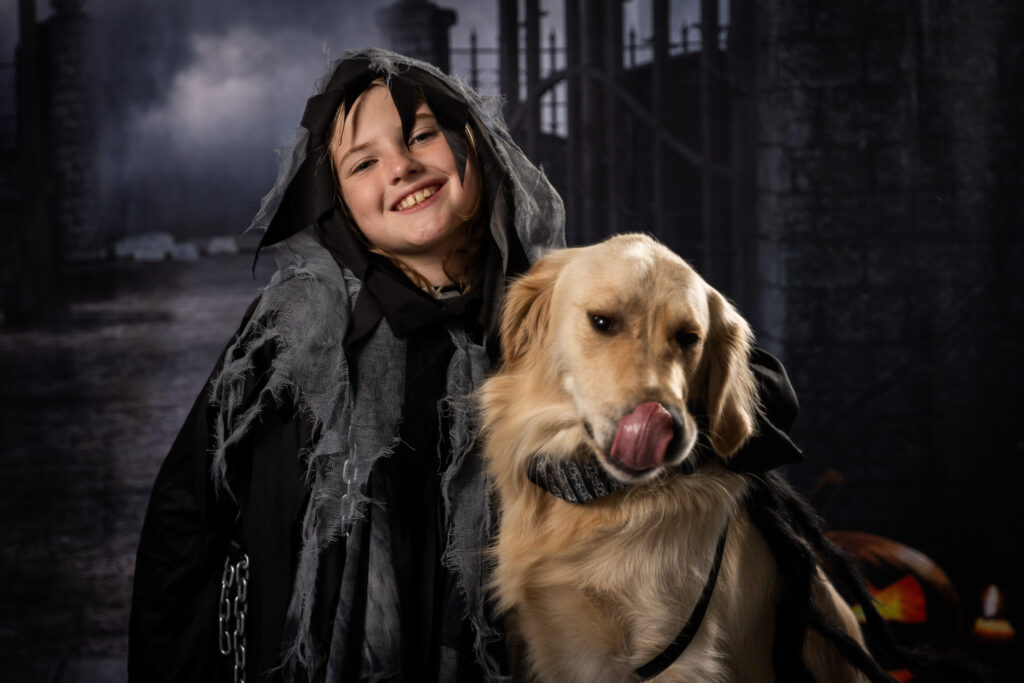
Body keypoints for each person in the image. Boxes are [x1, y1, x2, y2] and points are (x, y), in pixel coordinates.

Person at [128, 48, 804, 682]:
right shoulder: (287, 337)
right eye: (362, 163)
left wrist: (611, 448)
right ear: (337, 204)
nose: (400, 166)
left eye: (421, 135)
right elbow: (184, 523)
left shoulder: (557, 302)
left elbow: (759, 388)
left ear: (474, 147)